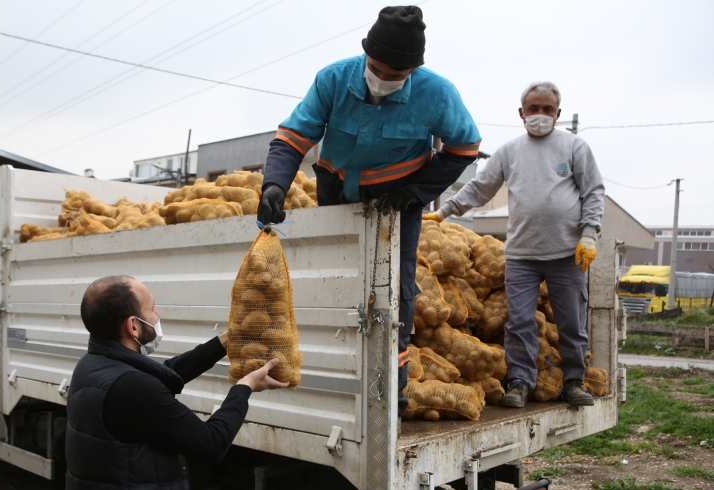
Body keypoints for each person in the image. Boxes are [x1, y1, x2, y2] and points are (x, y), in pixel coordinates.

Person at [257, 5, 481, 421]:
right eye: (378, 68)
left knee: (395, 290)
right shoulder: (333, 80)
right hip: (338, 191)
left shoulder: (438, 94)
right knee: (338, 282)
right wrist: (275, 184)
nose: (384, 80)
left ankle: (390, 392)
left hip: (399, 201)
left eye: (397, 75)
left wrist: (414, 191)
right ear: (366, 55)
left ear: (415, 68)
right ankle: (336, 372)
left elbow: (465, 149)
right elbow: (291, 137)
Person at [58, 275, 288, 490]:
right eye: (152, 309)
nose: (158, 314)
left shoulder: (95, 366)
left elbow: (163, 376)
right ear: (133, 326)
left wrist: (222, 343)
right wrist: (244, 388)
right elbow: (211, 443)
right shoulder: (132, 388)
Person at [428, 81, 605, 408]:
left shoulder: (575, 148)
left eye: (547, 109)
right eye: (534, 109)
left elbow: (593, 192)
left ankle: (574, 381)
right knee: (520, 322)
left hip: (567, 254)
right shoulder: (510, 151)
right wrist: (444, 211)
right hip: (523, 256)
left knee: (570, 323)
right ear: (521, 113)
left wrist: (590, 234)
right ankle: (520, 382)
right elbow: (480, 188)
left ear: (558, 113)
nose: (540, 115)